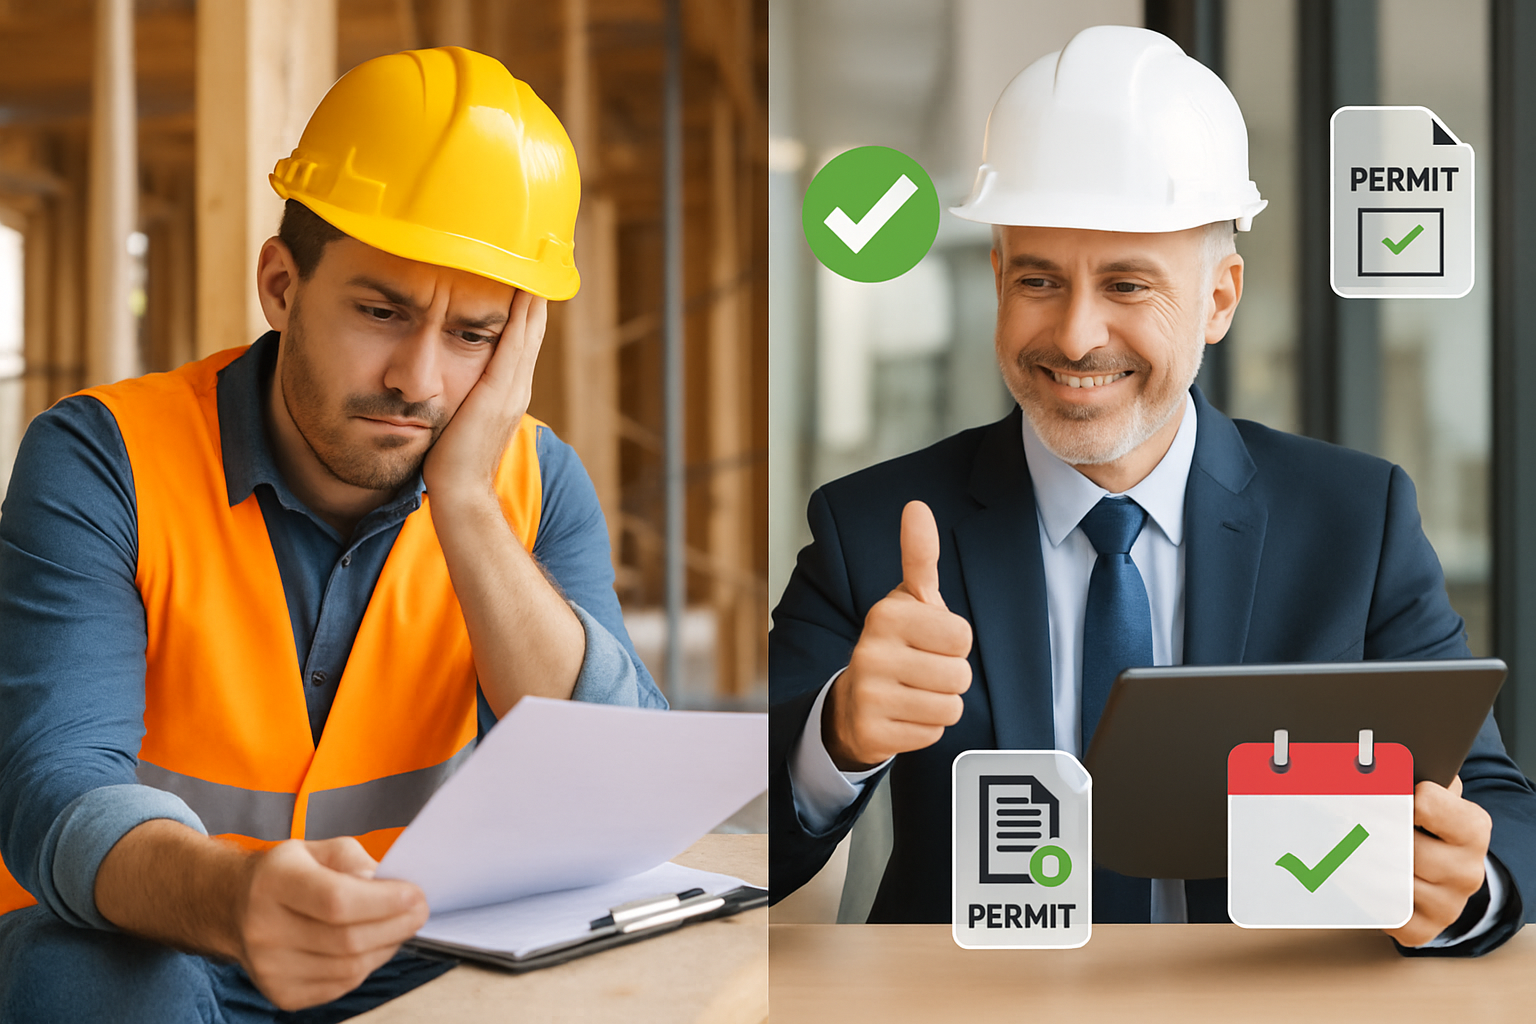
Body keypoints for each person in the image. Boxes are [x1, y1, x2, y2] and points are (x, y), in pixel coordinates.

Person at [769, 25, 1536, 955]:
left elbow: (1499, 810)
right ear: (997, 279)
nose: (1078, 334)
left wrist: (1467, 882)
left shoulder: (1353, 520)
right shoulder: (873, 529)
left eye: (1128, 284)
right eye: (1039, 279)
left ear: (1220, 298)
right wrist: (838, 738)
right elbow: (751, 844)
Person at [0, 47, 664, 1021]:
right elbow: (51, 786)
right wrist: (231, 898)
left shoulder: (530, 486)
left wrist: (468, 506)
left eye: (472, 333)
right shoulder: (106, 460)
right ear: (280, 285)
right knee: (83, 972)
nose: (419, 380)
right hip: (159, 941)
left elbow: (619, 791)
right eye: (381, 311)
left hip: (417, 950)